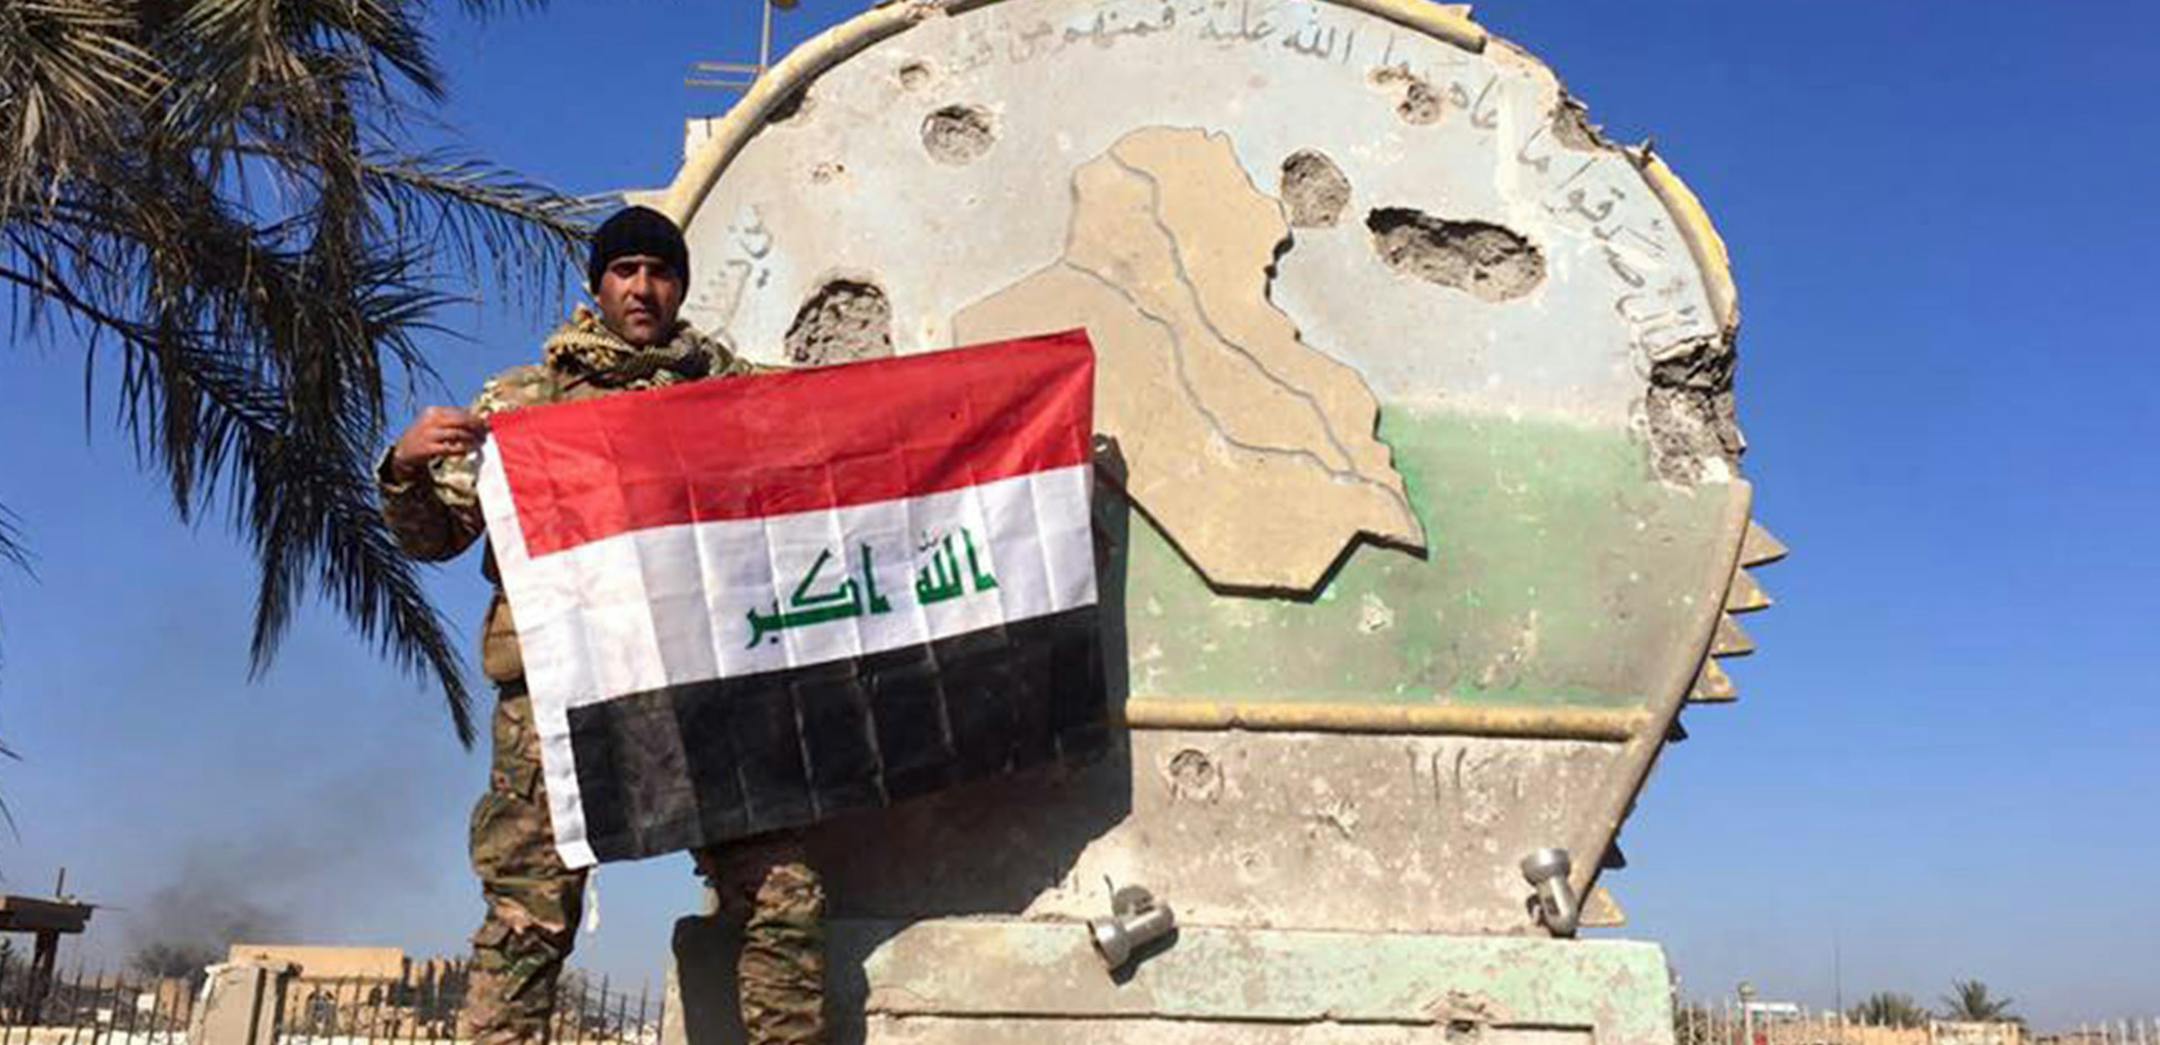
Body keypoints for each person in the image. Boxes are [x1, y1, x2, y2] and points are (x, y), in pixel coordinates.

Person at [378, 206, 827, 1045]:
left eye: (660, 272)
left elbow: (838, 442)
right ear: (598, 284)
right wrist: (404, 466)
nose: (643, 288)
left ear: (681, 286)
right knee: (529, 913)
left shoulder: (728, 396)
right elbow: (436, 538)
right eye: (625, 270)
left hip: (705, 683)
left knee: (782, 891)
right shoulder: (523, 405)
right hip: (561, 693)